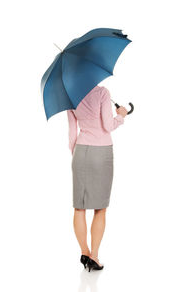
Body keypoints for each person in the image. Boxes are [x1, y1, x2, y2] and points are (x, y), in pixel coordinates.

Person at [67, 85, 127, 271]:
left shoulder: (69, 95)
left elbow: (72, 132)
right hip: (101, 153)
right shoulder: (102, 92)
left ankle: (84, 253)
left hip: (80, 152)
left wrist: (76, 155)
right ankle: (94, 255)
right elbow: (108, 126)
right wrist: (121, 116)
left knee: (80, 206)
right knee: (100, 208)